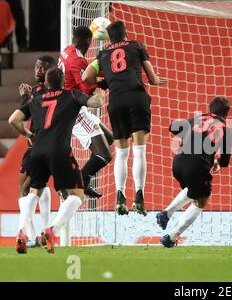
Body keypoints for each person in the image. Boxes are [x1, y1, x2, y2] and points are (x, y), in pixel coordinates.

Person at [9, 68, 104, 254]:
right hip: (59, 151)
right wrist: (100, 90)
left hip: (36, 150)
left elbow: (14, 120)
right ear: (63, 81)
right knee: (77, 195)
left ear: (46, 82)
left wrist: (29, 135)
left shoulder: (35, 98)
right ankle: (52, 231)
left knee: (34, 190)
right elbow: (96, 102)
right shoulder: (71, 94)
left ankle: (21, 232)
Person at [82, 21, 166, 216]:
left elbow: (86, 76)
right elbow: (152, 79)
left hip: (117, 100)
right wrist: (156, 81)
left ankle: (120, 196)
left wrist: (106, 81)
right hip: (137, 98)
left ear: (109, 37)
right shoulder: (136, 46)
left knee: (121, 154)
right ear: (125, 33)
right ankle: (139, 196)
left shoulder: (102, 55)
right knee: (140, 151)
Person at [156, 97, 232, 247]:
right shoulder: (226, 129)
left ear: (210, 109)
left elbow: (172, 126)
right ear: (226, 115)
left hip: (178, 162)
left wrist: (187, 136)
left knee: (194, 189)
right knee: (201, 199)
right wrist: (216, 162)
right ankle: (171, 238)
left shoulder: (198, 119)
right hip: (196, 166)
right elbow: (224, 161)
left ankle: (166, 214)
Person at [58, 26, 114, 199]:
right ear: (89, 41)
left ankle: (84, 179)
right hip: (73, 112)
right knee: (105, 155)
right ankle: (78, 182)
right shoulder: (79, 61)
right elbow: (86, 90)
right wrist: (107, 82)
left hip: (70, 107)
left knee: (109, 138)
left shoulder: (67, 51)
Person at [17, 55, 56, 248]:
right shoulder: (57, 90)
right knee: (41, 185)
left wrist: (25, 96)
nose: (37, 71)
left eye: (41, 68)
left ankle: (31, 235)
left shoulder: (41, 91)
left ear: (50, 68)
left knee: (25, 190)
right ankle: (42, 231)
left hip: (37, 146)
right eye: (35, 67)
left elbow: (23, 111)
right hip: (48, 145)